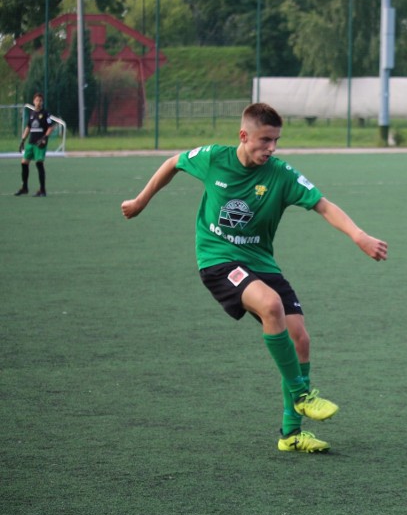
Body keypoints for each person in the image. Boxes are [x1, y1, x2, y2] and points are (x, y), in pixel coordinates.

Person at [121, 102, 388, 453]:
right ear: (244, 136)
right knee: (270, 304)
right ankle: (302, 394)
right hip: (218, 259)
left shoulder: (280, 173)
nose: (272, 148)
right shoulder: (215, 158)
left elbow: (323, 204)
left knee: (300, 340)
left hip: (261, 262)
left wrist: (359, 235)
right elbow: (173, 162)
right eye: (265, 140)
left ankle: (291, 434)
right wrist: (141, 201)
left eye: (276, 140)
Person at [16, 92, 55, 197]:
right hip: (31, 143)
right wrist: (23, 140)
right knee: (24, 163)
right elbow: (28, 127)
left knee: (39, 163)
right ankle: (24, 187)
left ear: (42, 102)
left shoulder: (46, 114)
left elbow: (50, 127)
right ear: (34, 101)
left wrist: (45, 137)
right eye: (37, 100)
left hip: (40, 144)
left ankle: (42, 190)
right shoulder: (32, 114)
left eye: (40, 100)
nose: (38, 102)